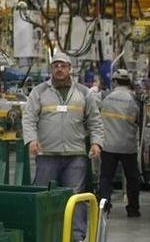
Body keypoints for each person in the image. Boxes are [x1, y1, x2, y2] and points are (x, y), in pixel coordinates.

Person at [23, 51, 105, 242]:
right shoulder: (39, 91)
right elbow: (28, 118)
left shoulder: (84, 93)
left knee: (75, 197)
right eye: (56, 66)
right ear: (51, 68)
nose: (59, 69)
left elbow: (95, 120)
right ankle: (42, 233)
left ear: (70, 69)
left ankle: (76, 236)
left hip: (75, 155)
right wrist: (31, 140)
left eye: (63, 66)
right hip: (46, 154)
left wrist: (96, 142)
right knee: (44, 196)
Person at [98, 69, 142, 217]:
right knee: (132, 179)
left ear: (114, 81)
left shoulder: (105, 96)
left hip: (108, 145)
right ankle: (133, 209)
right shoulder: (134, 99)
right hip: (128, 146)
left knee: (106, 177)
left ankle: (104, 208)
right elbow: (139, 120)